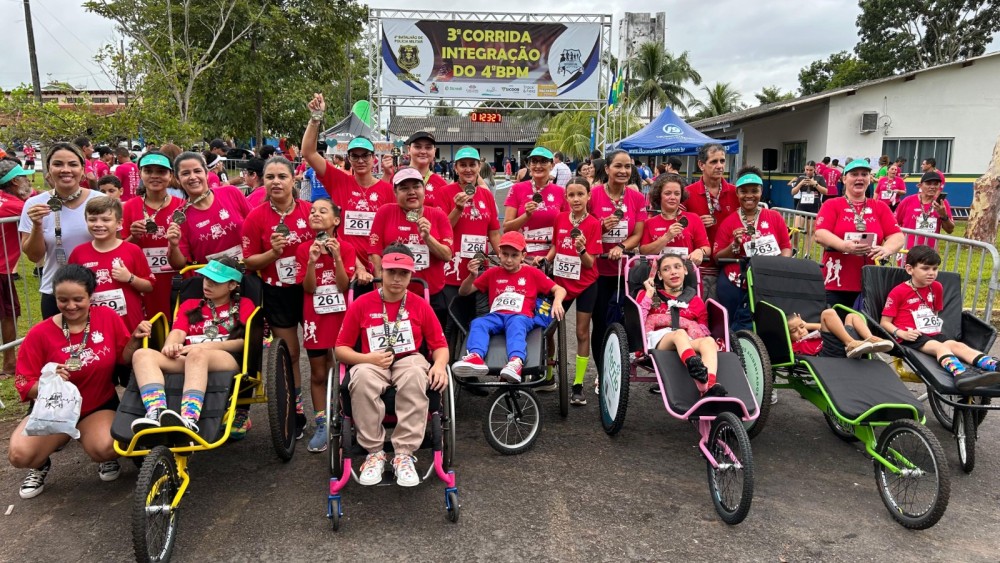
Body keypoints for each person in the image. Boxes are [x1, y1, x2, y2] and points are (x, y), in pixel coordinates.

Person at [9, 264, 148, 498]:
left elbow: (124, 357)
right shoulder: (39, 333)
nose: (71, 306)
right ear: (55, 297)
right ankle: (40, 464)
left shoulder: (107, 317)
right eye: (63, 300)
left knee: (106, 447)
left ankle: (101, 452)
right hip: (55, 410)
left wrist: (135, 339)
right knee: (20, 455)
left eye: (78, 299)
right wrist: (49, 381)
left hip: (96, 406)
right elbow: (24, 383)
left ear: (90, 296)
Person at [334, 244, 450, 487]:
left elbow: (439, 344)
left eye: (404, 273)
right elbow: (341, 349)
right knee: (362, 378)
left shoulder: (420, 304)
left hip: (409, 359)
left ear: (410, 275)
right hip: (371, 360)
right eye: (391, 272)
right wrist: (368, 359)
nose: (397, 279)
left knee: (416, 375)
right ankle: (374, 453)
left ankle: (404, 455)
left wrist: (439, 365)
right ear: (382, 271)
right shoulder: (362, 304)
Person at [130, 257, 253, 434]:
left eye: (215, 281)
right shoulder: (190, 304)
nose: (207, 284)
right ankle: (156, 412)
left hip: (225, 358)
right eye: (206, 278)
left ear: (232, 286)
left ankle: (189, 418)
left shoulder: (244, 305)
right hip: (188, 358)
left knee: (197, 355)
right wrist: (171, 345)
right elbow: (178, 331)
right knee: (142, 354)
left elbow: (243, 342)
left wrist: (201, 349)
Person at [242, 157, 314, 439]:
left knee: (322, 353)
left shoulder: (310, 211)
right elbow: (249, 261)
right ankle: (295, 408)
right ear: (263, 180)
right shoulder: (256, 216)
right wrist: (272, 254)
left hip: (312, 289)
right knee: (291, 353)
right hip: (277, 291)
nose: (275, 182)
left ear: (293, 179)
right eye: (269, 177)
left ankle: (330, 408)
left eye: (281, 176)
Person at [880, 245, 1000, 391]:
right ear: (910, 269)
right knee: (940, 347)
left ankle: (994, 366)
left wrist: (933, 328)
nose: (931, 273)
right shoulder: (898, 292)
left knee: (958, 346)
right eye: (925, 268)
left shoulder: (936, 287)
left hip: (932, 333)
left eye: (935, 269)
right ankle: (962, 374)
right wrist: (901, 333)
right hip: (910, 336)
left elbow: (934, 313)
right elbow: (885, 323)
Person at [452, 231, 566, 383]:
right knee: (478, 323)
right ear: (499, 254)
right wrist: (472, 276)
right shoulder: (492, 273)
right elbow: (464, 292)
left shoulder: (532, 273)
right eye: (505, 254)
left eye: (514, 255)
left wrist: (557, 301)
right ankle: (476, 357)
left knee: (516, 323)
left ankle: (516, 362)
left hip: (521, 316)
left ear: (523, 256)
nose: (509, 260)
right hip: (497, 316)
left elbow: (560, 289)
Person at [303, 94, 392, 287]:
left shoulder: (387, 189)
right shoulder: (339, 180)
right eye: (355, 156)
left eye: (365, 155)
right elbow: (308, 152)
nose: (360, 160)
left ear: (373, 158)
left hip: (380, 268)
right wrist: (315, 118)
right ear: (348, 159)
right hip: (346, 265)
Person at [19, 142, 104, 318]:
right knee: (59, 344)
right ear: (49, 170)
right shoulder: (35, 205)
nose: (66, 169)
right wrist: (37, 225)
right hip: (57, 293)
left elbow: (118, 244)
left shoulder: (101, 202)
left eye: (72, 164)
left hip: (100, 290)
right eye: (58, 164)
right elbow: (34, 256)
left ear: (82, 170)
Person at [296, 198, 353, 452]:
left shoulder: (347, 248)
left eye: (322, 211)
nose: (315, 214)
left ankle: (347, 417)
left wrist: (337, 258)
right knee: (318, 372)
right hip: (315, 318)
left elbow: (343, 286)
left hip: (342, 318)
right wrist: (311, 261)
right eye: (312, 211)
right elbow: (308, 288)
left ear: (336, 220)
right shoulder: (304, 249)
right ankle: (322, 423)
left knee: (346, 371)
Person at [541, 176, 603, 404]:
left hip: (586, 284)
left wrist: (581, 249)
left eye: (580, 194)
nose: (576, 199)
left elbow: (589, 263)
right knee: (548, 329)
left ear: (588, 196)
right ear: (565, 197)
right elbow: (556, 246)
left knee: (581, 332)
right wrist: (544, 260)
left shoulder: (594, 223)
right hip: (561, 285)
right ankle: (548, 376)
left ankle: (578, 385)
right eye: (571, 195)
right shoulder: (559, 218)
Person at [369, 168, 454, 329]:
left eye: (416, 186)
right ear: (395, 192)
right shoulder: (385, 212)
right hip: (393, 293)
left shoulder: (438, 215)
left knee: (432, 345)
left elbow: (447, 255)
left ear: (423, 189)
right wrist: (382, 289)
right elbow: (374, 252)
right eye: (404, 188)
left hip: (430, 293)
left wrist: (428, 237)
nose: (411, 192)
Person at [815, 159, 905, 308]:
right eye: (854, 174)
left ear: (869, 179)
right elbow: (820, 233)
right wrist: (843, 246)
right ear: (844, 179)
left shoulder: (880, 207)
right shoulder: (832, 204)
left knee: (864, 328)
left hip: (870, 283)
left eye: (864, 174)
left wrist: (886, 249)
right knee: (834, 326)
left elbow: (897, 236)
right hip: (836, 282)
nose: (860, 178)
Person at [714, 168, 793, 332]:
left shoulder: (774, 217)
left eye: (754, 191)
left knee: (766, 325)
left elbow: (786, 247)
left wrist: (780, 265)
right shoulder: (729, 222)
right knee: (732, 328)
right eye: (744, 191)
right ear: (737, 193)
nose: (749, 196)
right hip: (734, 283)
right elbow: (717, 257)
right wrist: (734, 245)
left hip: (767, 280)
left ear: (761, 191)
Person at [437, 147, 501, 343]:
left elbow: (494, 232)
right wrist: (458, 209)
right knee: (450, 321)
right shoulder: (445, 193)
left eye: (472, 165)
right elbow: (442, 229)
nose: (468, 169)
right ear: (455, 168)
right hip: (452, 270)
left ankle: (469, 364)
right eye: (463, 165)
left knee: (476, 320)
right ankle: (446, 367)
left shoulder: (486, 195)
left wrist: (505, 257)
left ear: (479, 167)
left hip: (479, 269)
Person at [588, 149, 646, 370]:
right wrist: (600, 227)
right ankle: (602, 372)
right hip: (598, 271)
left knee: (622, 322)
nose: (623, 171)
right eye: (618, 166)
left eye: (627, 167)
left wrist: (621, 246)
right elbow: (582, 229)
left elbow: (638, 234)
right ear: (607, 169)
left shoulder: (637, 198)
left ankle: (618, 370)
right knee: (601, 323)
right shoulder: (593, 195)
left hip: (625, 272)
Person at [637, 254, 725, 397]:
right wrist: (648, 294)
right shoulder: (650, 295)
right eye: (666, 269)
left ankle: (708, 386)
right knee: (679, 334)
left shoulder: (696, 301)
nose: (673, 272)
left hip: (688, 341)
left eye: (677, 267)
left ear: (685, 270)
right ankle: (694, 366)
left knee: (708, 341)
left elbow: (702, 329)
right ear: (659, 275)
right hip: (659, 341)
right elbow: (638, 322)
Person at [68, 196, 153, 332]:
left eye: (106, 220)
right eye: (92, 219)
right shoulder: (79, 253)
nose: (98, 224)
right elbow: (70, 288)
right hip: (94, 324)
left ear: (119, 223)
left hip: (129, 324)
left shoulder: (132, 250)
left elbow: (149, 286)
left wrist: (130, 278)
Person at [122, 152, 184, 322]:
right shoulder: (130, 207)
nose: (154, 176)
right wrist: (134, 237)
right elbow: (119, 251)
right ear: (140, 173)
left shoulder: (182, 207)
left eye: (161, 172)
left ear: (171, 175)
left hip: (174, 281)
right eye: (148, 171)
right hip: (142, 282)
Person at [166, 152, 250, 270]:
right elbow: (178, 264)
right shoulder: (179, 217)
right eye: (185, 173)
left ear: (206, 174)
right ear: (178, 179)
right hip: (212, 284)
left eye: (197, 171)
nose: (193, 177)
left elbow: (256, 226)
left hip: (247, 275)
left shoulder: (231, 193)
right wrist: (173, 246)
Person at [683, 143, 739, 300]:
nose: (720, 166)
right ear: (701, 165)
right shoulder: (687, 193)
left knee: (724, 313)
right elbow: (676, 225)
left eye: (722, 161)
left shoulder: (736, 192)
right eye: (714, 162)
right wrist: (695, 223)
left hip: (729, 263)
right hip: (701, 266)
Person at [502, 147, 567, 266]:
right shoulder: (517, 189)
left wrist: (547, 258)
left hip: (552, 257)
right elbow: (507, 228)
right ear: (529, 165)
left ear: (552, 165)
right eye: (534, 161)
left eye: (543, 161)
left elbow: (566, 228)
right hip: (522, 258)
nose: (538, 165)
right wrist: (526, 216)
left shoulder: (561, 192)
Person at [0, 160, 32, 374]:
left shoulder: (6, 201)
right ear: (14, 182)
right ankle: (10, 361)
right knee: (9, 314)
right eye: (24, 178)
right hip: (1, 270)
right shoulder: (14, 206)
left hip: (3, 269)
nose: (29, 181)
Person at [639, 174, 710, 261]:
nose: (672, 197)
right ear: (659, 195)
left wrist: (700, 251)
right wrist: (667, 237)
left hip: (686, 271)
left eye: (677, 194)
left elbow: (706, 247)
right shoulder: (649, 223)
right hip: (658, 272)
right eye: (667, 193)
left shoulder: (694, 218)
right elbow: (643, 251)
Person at [789, 309, 893, 358]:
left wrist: (807, 325)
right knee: (828, 313)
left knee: (851, 316)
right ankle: (850, 344)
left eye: (801, 327)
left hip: (842, 344)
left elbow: (822, 327)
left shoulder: (810, 335)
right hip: (828, 352)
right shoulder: (793, 346)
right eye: (794, 331)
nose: (801, 331)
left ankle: (870, 339)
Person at [895, 171, 954, 249]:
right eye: (928, 183)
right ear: (920, 185)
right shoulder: (908, 201)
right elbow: (894, 224)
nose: (932, 187)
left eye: (936, 184)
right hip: (907, 251)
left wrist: (943, 215)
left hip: (929, 253)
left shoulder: (942, 203)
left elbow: (950, 230)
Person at [404, 131, 447, 208]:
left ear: (434, 151)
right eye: (417, 147)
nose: (423, 151)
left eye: (428, 147)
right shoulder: (395, 179)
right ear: (409, 149)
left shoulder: (442, 185)